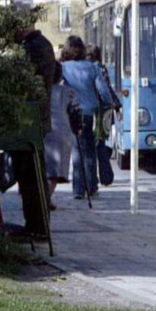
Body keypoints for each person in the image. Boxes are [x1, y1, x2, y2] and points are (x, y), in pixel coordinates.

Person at [14, 22, 58, 235]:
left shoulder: (36, 47)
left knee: (32, 177)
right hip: (32, 120)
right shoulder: (38, 45)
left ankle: (37, 226)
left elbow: (18, 74)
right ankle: (34, 225)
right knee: (27, 176)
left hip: (32, 121)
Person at [60, 35, 114, 200]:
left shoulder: (63, 67)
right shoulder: (92, 67)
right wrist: (109, 103)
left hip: (72, 112)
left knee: (77, 150)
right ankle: (91, 187)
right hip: (90, 113)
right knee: (90, 150)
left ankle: (78, 189)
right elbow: (103, 91)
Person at [43, 62, 81, 210]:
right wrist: (78, 128)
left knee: (43, 168)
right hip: (61, 133)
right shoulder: (68, 92)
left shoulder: (40, 91)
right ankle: (46, 198)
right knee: (54, 171)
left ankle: (44, 198)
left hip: (42, 131)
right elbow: (75, 112)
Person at [88, 45, 120, 185]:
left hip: (90, 110)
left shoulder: (87, 68)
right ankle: (105, 176)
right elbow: (106, 89)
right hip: (101, 110)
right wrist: (115, 106)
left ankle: (93, 177)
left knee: (91, 145)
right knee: (100, 143)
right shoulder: (100, 68)